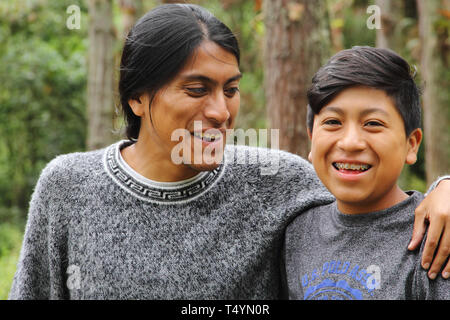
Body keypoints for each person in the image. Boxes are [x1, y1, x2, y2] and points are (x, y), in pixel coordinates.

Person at [8, 5, 450, 300]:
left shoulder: (278, 180)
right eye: (197, 89)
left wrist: (444, 186)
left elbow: (369, 187)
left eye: (231, 89)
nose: (221, 111)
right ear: (137, 98)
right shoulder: (68, 186)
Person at [283, 46, 449, 300]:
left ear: (411, 144)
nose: (350, 142)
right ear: (311, 139)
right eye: (332, 122)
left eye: (373, 124)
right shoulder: (296, 233)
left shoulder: (435, 238)